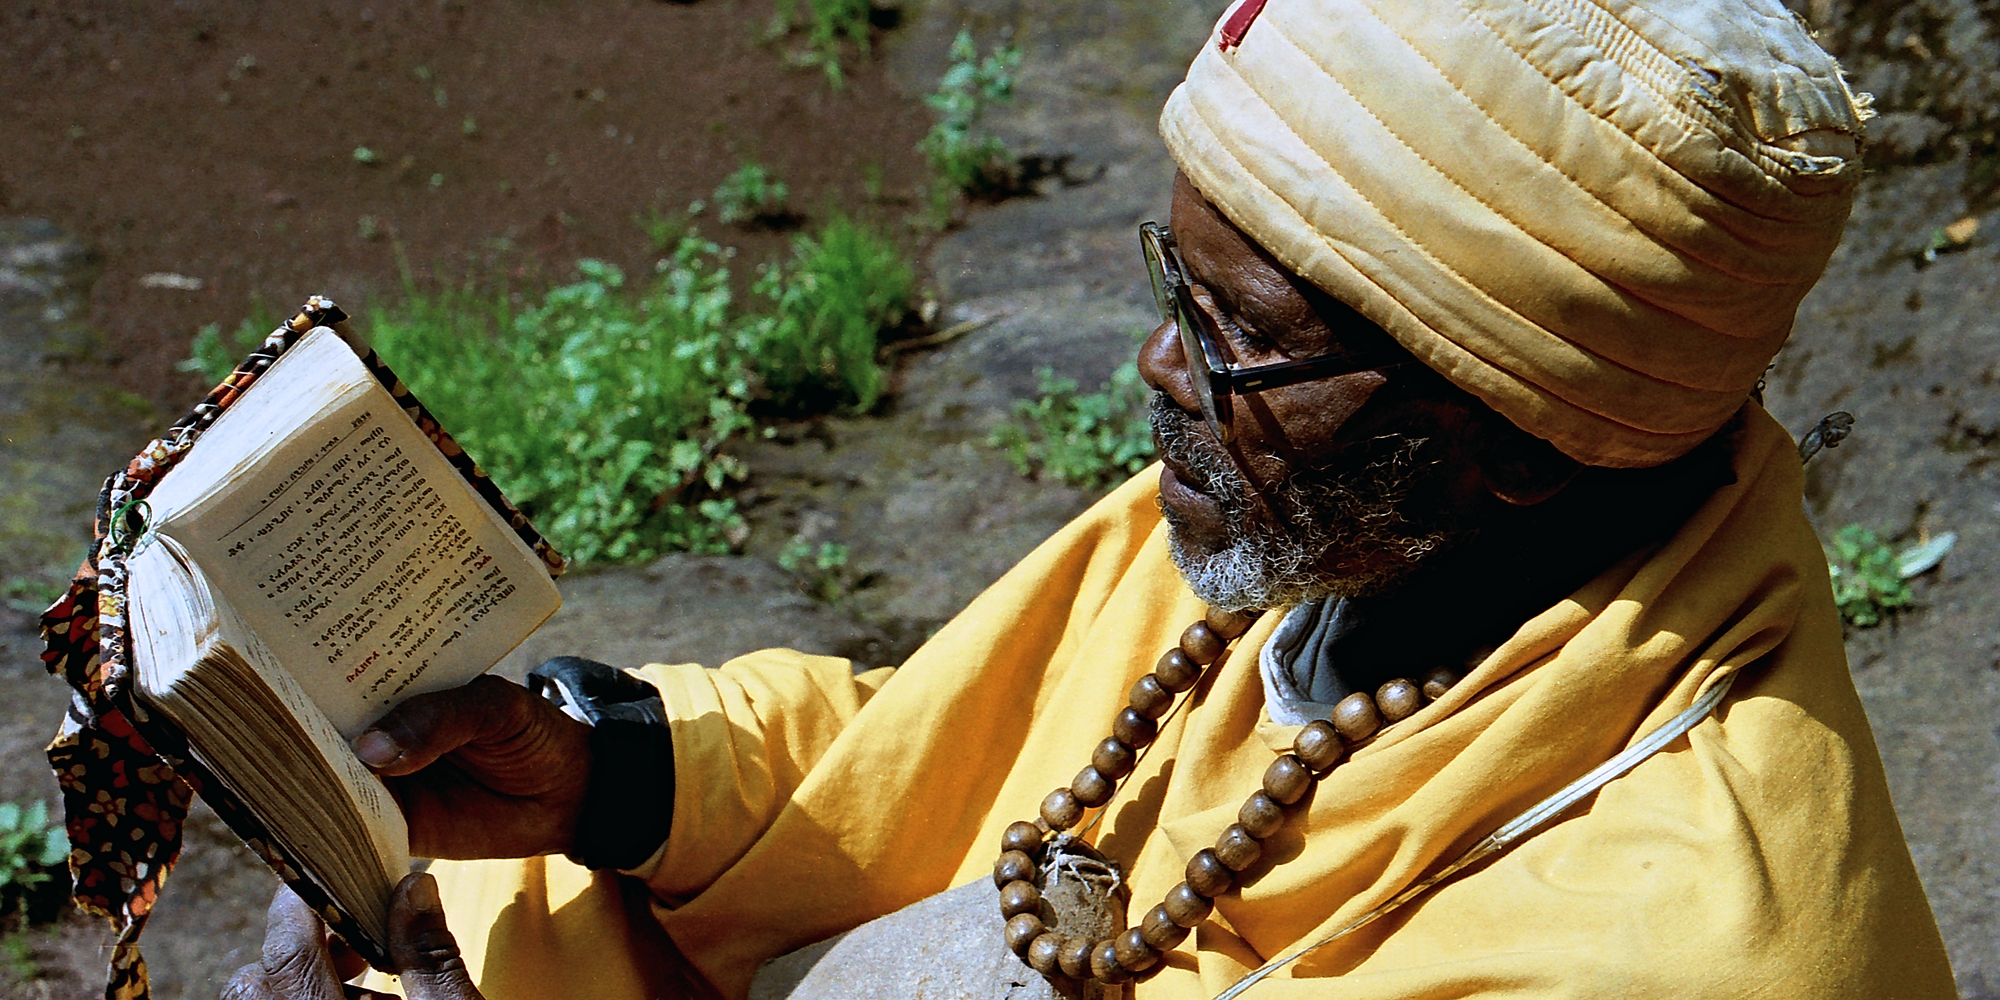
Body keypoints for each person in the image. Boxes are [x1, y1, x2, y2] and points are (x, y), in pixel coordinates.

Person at [228, 0, 1959, 997]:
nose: (1154, 363)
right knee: (436, 888)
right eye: (1175, 281)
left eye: (1234, 334)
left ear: (1508, 436)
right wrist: (603, 771)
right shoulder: (1333, 522)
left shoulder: (1678, 944)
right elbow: (927, 772)